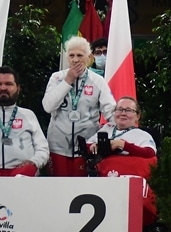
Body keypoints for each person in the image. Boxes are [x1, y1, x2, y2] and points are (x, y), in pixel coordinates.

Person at [42, 36, 116, 176]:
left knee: (81, 188)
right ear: (67, 58)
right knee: (58, 187)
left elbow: (110, 111)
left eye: (80, 55)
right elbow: (48, 106)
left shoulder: (98, 81)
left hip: (86, 145)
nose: (75, 59)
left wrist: (121, 128)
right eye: (71, 55)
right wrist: (68, 81)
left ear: (88, 58)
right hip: (58, 145)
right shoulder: (56, 78)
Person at [86, 96, 158, 232]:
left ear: (137, 116)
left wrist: (123, 145)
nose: (123, 113)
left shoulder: (142, 135)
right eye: (119, 109)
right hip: (103, 180)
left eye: (128, 110)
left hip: (129, 181)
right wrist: (93, 147)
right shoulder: (106, 129)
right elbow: (87, 146)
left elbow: (150, 153)